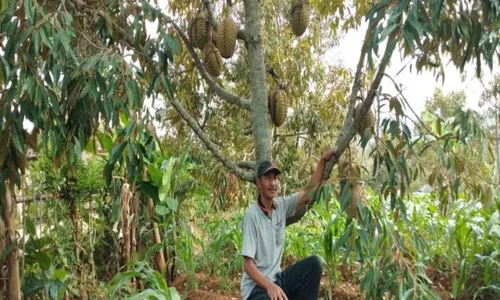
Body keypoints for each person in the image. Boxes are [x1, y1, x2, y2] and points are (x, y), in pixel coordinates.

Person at [241, 148, 338, 300]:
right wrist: (269, 286)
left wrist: (323, 161)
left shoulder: (281, 206)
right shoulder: (251, 216)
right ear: (259, 183)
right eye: (268, 178)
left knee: (314, 264)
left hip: (277, 280)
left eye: (275, 178)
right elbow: (248, 265)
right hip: (256, 289)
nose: (273, 183)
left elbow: (308, 193)